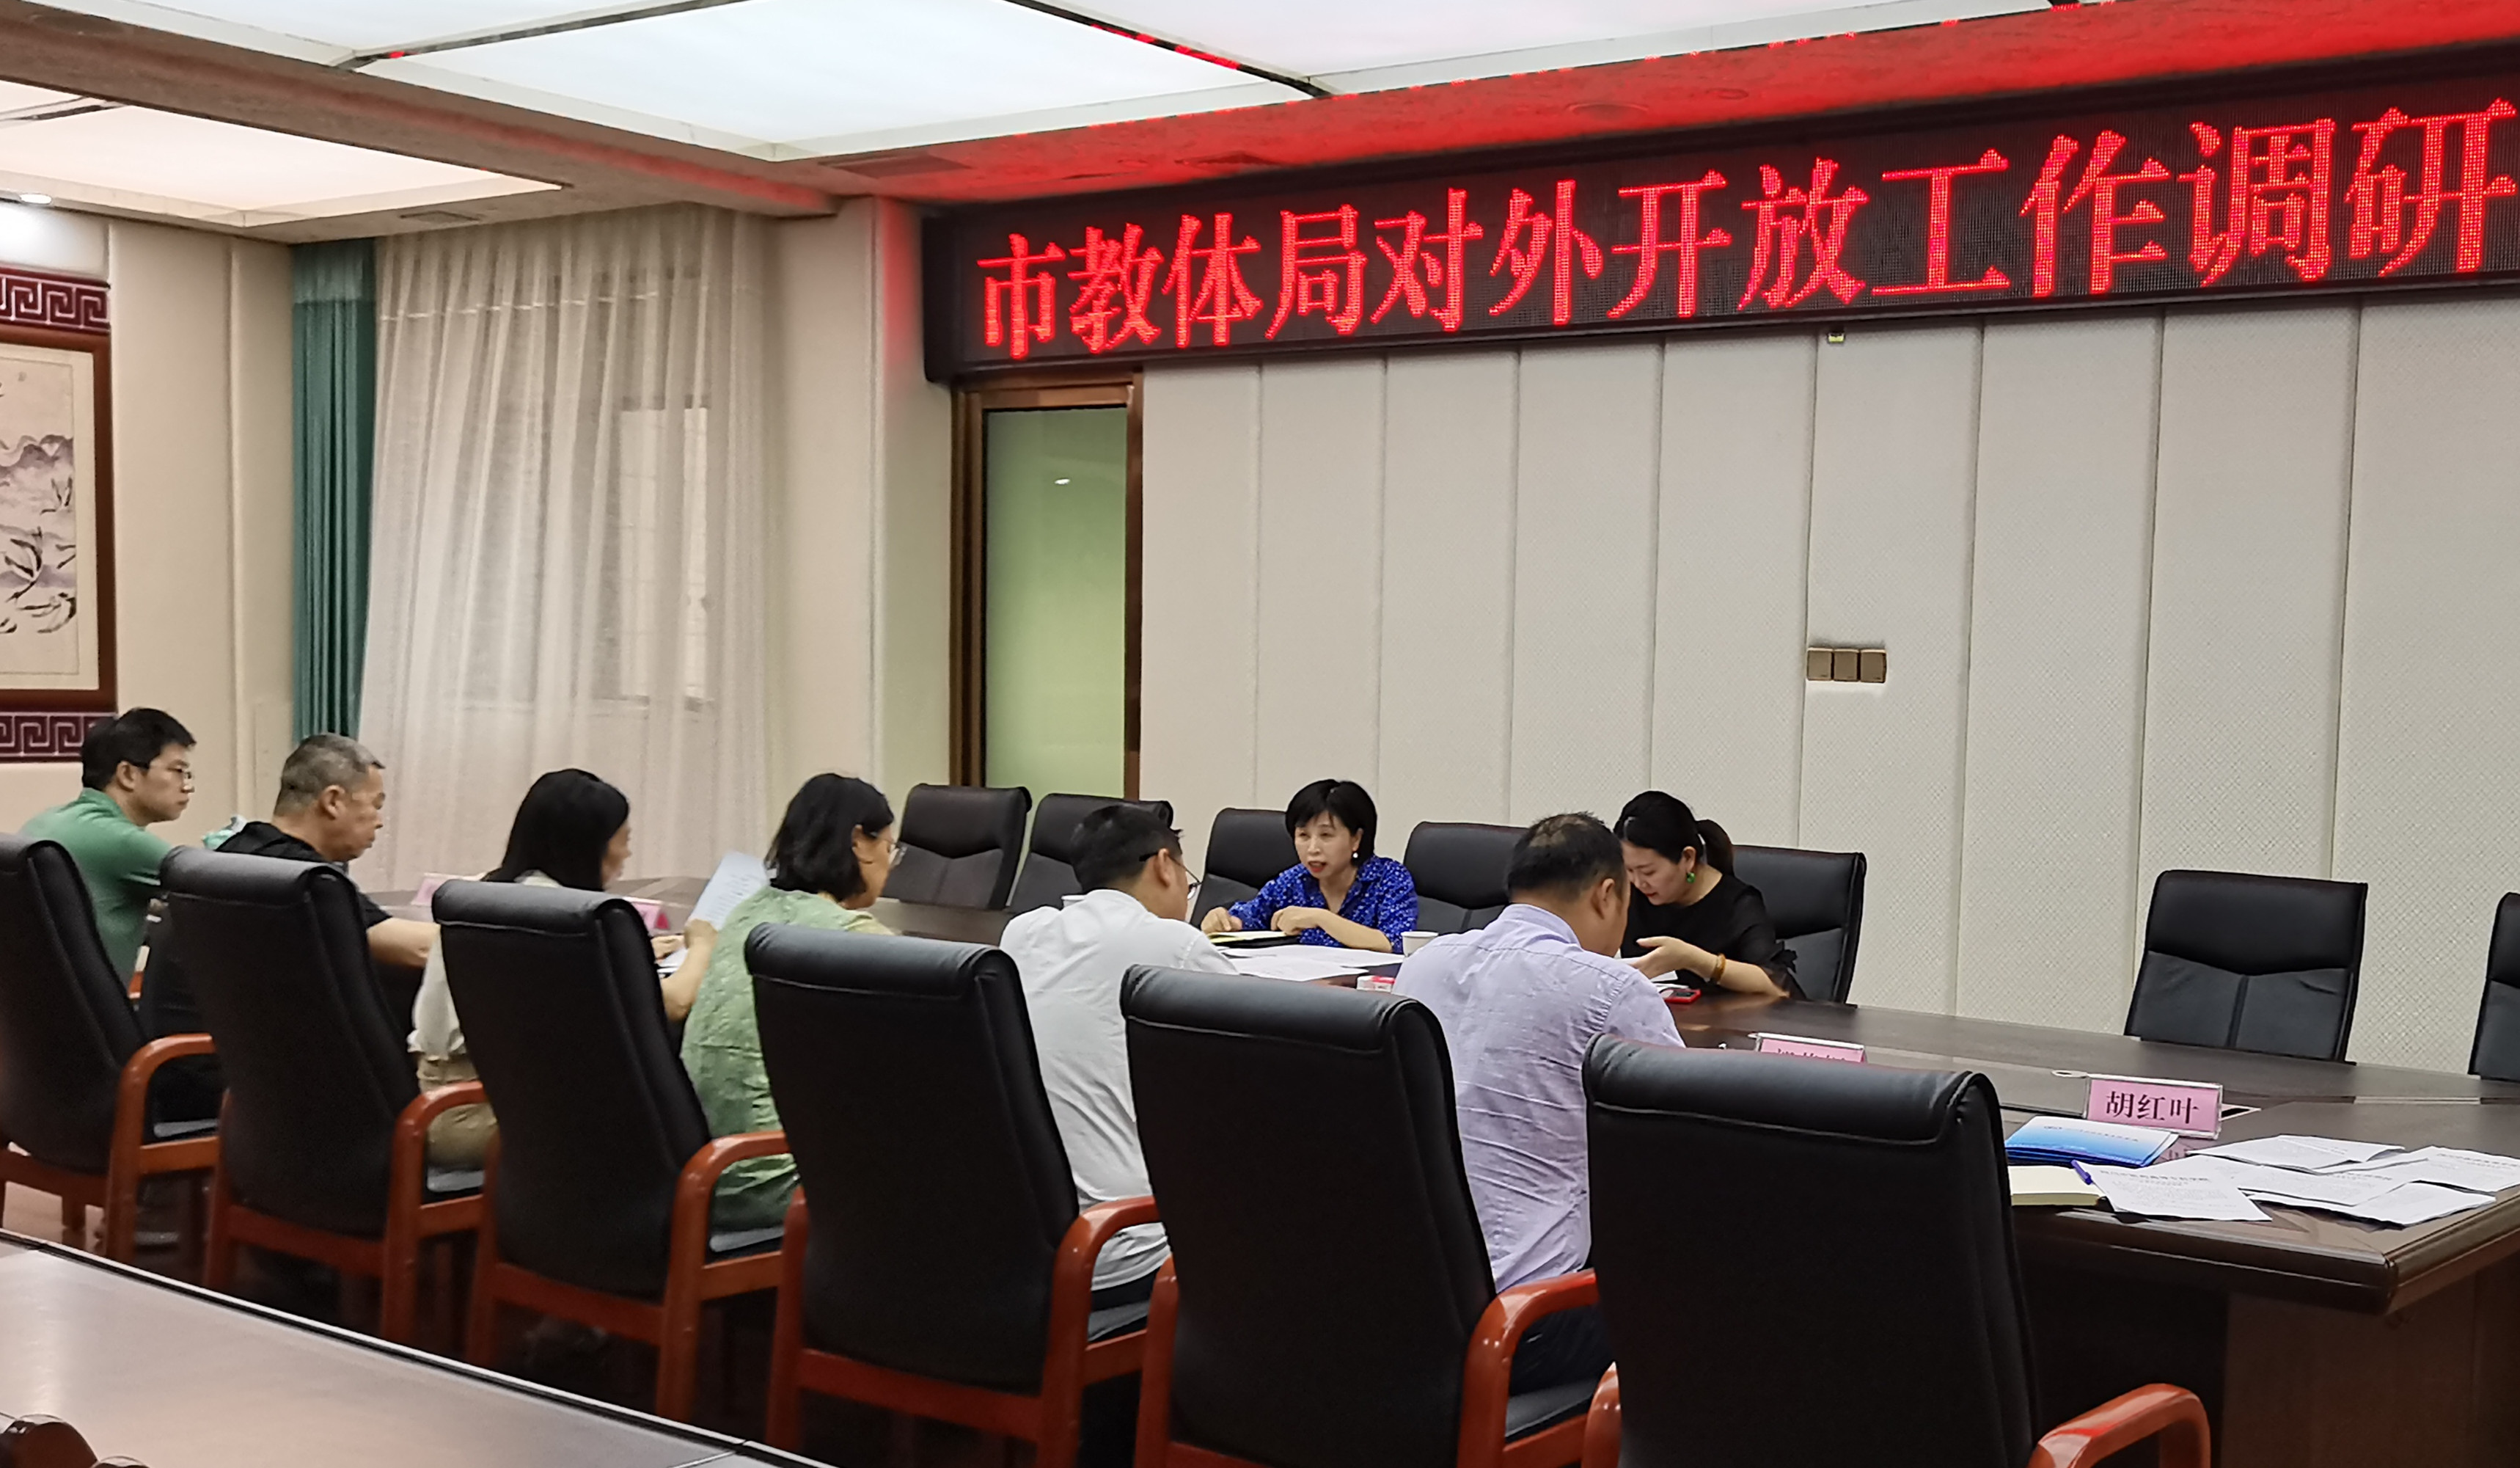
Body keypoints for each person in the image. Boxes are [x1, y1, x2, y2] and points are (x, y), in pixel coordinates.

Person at [1395, 812, 1682, 1395]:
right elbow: (1685, 1138)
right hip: (1525, 1324)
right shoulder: (1612, 987)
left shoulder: (1424, 965)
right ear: (1607, 894)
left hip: (1412, 1308)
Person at [409, 770, 714, 1167]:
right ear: (590, 845)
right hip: (489, 1114)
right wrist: (703, 947)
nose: (626, 854)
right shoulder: (561, 918)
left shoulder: (491, 895)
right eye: (623, 840)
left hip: (441, 1102)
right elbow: (673, 1004)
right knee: (677, 1112)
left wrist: (636, 955)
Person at [1002, 803, 1234, 1310]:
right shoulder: (1175, 945)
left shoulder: (1023, 934)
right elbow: (1263, 1056)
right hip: (1125, 1248)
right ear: (1164, 865)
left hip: (1020, 1247)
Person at [681, 773, 896, 1232]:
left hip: (703, 1173)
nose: (890, 863)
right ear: (859, 842)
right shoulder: (851, 936)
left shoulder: (746, 912)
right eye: (890, 847)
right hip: (779, 1181)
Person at [213, 734, 436, 971]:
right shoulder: (306, 878)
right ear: (333, 801)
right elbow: (417, 949)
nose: (380, 821)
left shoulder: (231, 852)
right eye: (375, 805)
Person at [22, 708, 195, 982]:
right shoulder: (124, 842)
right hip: (92, 1007)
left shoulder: (45, 822)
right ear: (128, 774)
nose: (187, 787)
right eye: (178, 771)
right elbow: (221, 895)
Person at [1198, 778, 1416, 951]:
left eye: (1326, 835)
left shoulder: (1388, 877)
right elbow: (1249, 917)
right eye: (1303, 835)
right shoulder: (1294, 881)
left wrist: (1319, 918)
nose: (1313, 848)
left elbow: (1396, 943)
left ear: (1356, 839)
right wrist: (1224, 921)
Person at [1616, 791, 1796, 998]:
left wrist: (1695, 960)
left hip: (1723, 1017)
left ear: (1687, 858)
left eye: (1648, 872)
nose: (1638, 883)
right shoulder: (1631, 893)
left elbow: (1777, 985)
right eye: (1629, 870)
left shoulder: (1739, 905)